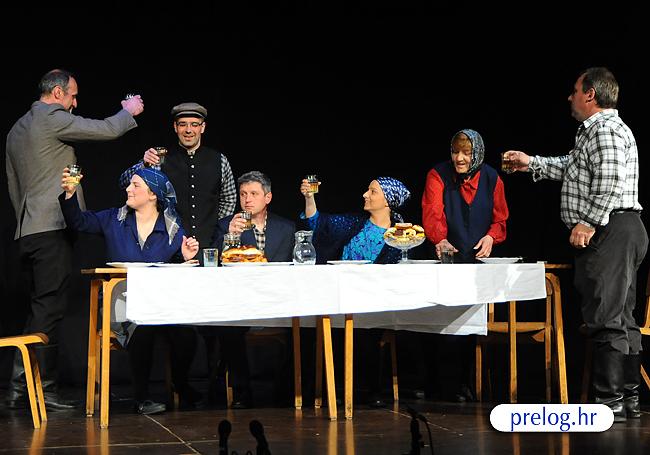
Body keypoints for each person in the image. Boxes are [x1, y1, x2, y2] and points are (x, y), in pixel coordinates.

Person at [504, 67, 648, 422]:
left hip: (611, 229)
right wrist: (531, 164)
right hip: (621, 229)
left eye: (575, 91)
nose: (570, 97)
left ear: (590, 95)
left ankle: (610, 402)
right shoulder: (595, 132)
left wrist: (589, 221)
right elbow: (572, 166)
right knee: (621, 316)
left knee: (606, 317)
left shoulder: (605, 130)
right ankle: (627, 400)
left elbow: (610, 179)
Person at [4, 69, 144, 410]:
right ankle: (42, 389)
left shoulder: (16, 128)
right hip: (50, 228)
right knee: (49, 309)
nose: (74, 103)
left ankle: (21, 387)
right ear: (56, 93)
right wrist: (128, 111)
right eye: (72, 96)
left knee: (40, 308)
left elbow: (14, 184)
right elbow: (105, 129)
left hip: (28, 229)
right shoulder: (50, 117)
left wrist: (27, 219)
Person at [59, 166, 202, 415]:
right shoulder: (114, 219)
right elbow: (79, 222)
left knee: (186, 333)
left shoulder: (172, 228)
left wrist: (184, 256)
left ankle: (180, 383)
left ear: (153, 194)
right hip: (121, 298)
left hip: (160, 300)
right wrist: (70, 193)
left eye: (135, 185)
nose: (128, 189)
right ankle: (142, 398)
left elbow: (176, 268)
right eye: (130, 185)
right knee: (141, 327)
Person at [299, 176, 411, 406]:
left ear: (388, 201)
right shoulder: (354, 223)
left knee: (369, 330)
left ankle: (371, 390)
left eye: (373, 192)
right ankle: (334, 388)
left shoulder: (401, 235)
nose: (365, 195)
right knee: (332, 327)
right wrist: (309, 198)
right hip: (342, 295)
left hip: (377, 301)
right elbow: (317, 223)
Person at [207, 171, 296, 408]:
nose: (247, 199)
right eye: (243, 194)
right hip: (241, 300)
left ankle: (287, 390)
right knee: (230, 329)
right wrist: (230, 236)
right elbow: (212, 262)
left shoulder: (286, 228)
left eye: (254, 194)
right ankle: (242, 391)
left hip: (277, 300)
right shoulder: (227, 225)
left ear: (268, 197)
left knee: (305, 327)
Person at [119, 102, 237, 252]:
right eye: (183, 124)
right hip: (168, 247)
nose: (188, 130)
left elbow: (229, 198)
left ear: (202, 127)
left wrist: (218, 228)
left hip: (209, 247)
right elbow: (124, 182)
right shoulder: (160, 159)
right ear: (175, 127)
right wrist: (144, 163)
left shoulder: (219, 160)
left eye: (194, 124)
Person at [422, 128, 509, 263]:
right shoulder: (438, 175)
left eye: (466, 153)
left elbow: (500, 220)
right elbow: (432, 212)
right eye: (455, 152)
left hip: (482, 260)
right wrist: (441, 239)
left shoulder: (492, 178)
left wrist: (491, 237)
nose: (459, 158)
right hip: (446, 258)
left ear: (478, 154)